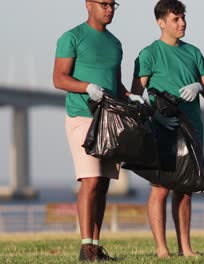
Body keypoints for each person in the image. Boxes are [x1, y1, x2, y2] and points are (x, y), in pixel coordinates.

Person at [52, 0, 143, 261]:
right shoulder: (72, 37)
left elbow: (115, 83)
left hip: (109, 121)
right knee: (90, 180)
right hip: (82, 117)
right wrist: (87, 87)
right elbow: (59, 78)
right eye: (104, 4)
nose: (110, 8)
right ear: (88, 4)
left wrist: (130, 97)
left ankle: (95, 245)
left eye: (113, 4)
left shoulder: (115, 44)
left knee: (103, 183)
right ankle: (85, 248)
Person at [131, 0, 204, 258]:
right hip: (162, 129)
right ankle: (161, 249)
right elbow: (136, 96)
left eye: (183, 18)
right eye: (176, 19)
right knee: (160, 188)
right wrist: (155, 115)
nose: (182, 23)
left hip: (192, 129)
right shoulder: (148, 54)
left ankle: (186, 248)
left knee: (186, 190)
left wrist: (199, 87)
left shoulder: (194, 52)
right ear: (161, 22)